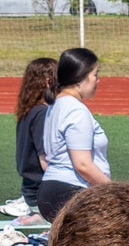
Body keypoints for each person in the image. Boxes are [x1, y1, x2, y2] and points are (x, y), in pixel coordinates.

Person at [37, 47, 109, 222]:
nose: (97, 80)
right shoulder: (76, 110)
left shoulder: (55, 106)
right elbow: (82, 164)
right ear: (80, 79)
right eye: (95, 75)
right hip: (72, 191)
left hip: (52, 189)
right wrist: (113, 190)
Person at [13, 55, 56, 217]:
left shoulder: (29, 110)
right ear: (47, 82)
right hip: (41, 194)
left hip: (30, 189)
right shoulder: (42, 114)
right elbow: (45, 161)